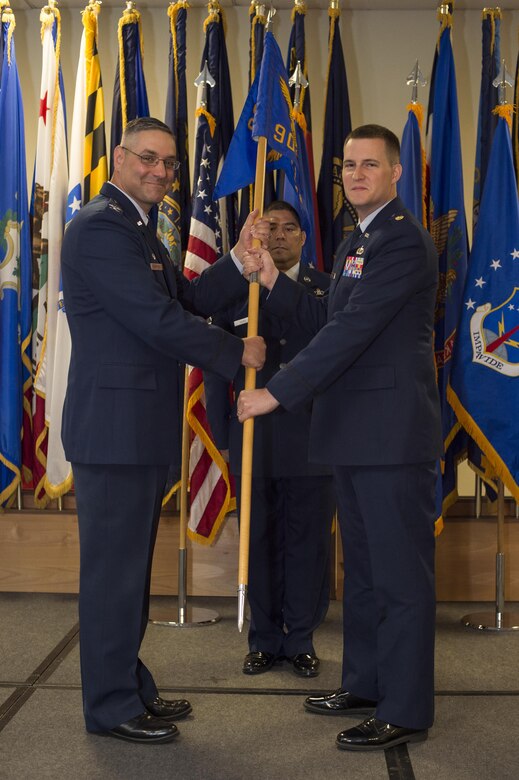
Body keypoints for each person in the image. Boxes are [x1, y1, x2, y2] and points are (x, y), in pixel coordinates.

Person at [61, 117, 267, 744]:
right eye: (147, 159)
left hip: (137, 431)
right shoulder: (100, 227)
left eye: (169, 164)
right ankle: (111, 706)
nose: (159, 171)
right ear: (118, 158)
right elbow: (157, 320)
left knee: (129, 573)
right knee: (112, 577)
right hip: (114, 432)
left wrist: (236, 260)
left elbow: (188, 298)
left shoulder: (139, 231)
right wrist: (237, 356)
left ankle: (130, 687)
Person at [237, 125, 442, 752]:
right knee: (363, 572)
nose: (356, 175)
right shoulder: (359, 238)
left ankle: (405, 706)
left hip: (390, 435)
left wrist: (278, 391)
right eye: (349, 165)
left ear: (396, 172)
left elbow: (350, 331)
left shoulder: (404, 240)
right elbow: (325, 317)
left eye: (370, 165)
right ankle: (365, 681)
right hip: (354, 436)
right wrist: (273, 277)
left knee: (400, 575)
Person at [204, 201, 336, 678]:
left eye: (289, 229)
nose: (279, 236)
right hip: (251, 438)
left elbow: (323, 336)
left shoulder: (325, 290)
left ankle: (300, 638)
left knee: (307, 544)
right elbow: (218, 369)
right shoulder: (234, 294)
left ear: (304, 238)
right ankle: (263, 638)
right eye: (269, 228)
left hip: (311, 440)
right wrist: (222, 434)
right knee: (256, 541)